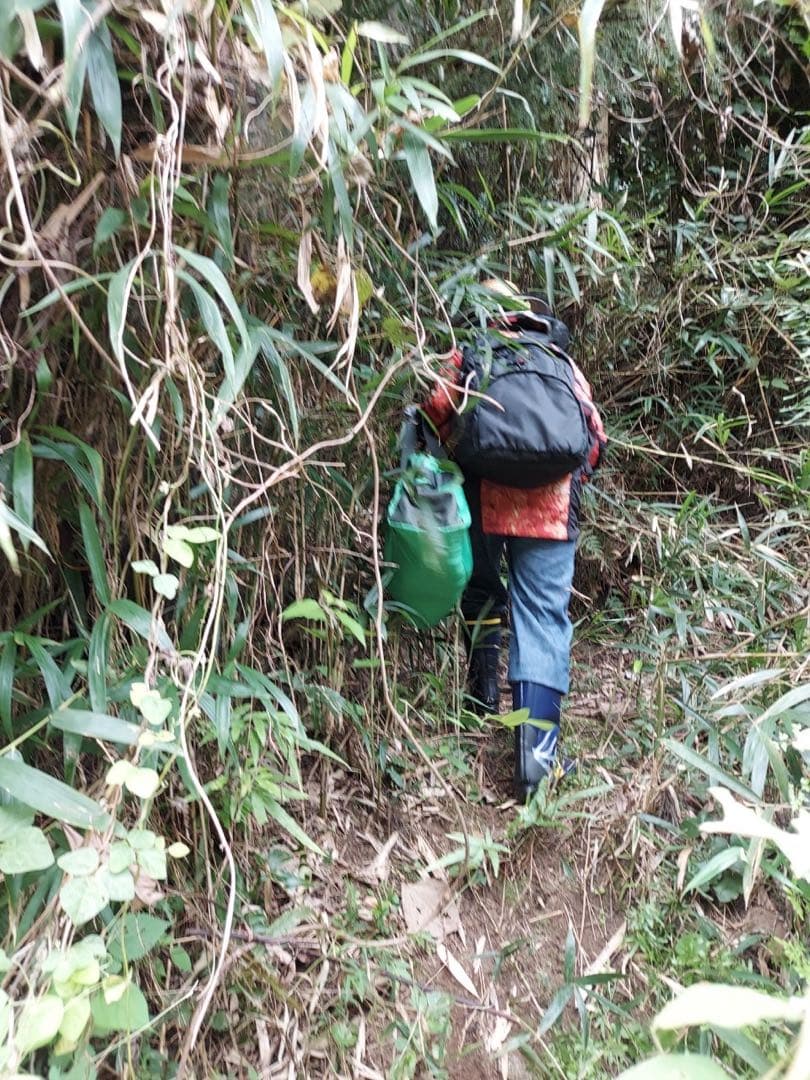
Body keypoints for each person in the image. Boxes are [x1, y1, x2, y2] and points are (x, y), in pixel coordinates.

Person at [423, 281, 606, 799]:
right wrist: (564, 480)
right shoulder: (560, 362)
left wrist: (464, 453)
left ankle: (481, 698)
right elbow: (593, 439)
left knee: (481, 590)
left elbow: (436, 410)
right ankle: (536, 762)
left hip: (481, 497)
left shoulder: (470, 354)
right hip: (551, 508)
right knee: (542, 614)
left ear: (485, 314)